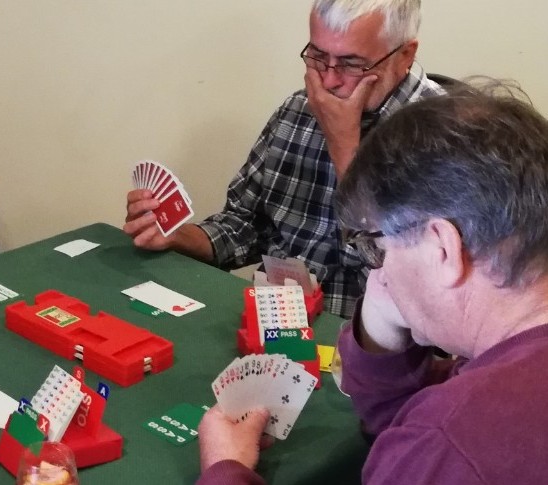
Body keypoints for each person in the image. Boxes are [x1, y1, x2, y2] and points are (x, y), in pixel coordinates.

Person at [195, 86, 548, 483]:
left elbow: (436, 441)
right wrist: (381, 322)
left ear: (442, 249)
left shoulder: (450, 442)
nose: (379, 272)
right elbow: (412, 419)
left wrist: (227, 469)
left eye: (378, 247)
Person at [123, 0, 445, 317]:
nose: (329, 80)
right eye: (319, 57)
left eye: (352, 63)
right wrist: (176, 236)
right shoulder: (297, 110)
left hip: (372, 344)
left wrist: (345, 147)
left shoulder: (447, 137)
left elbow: (418, 287)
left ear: (404, 56)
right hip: (274, 323)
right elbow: (245, 225)